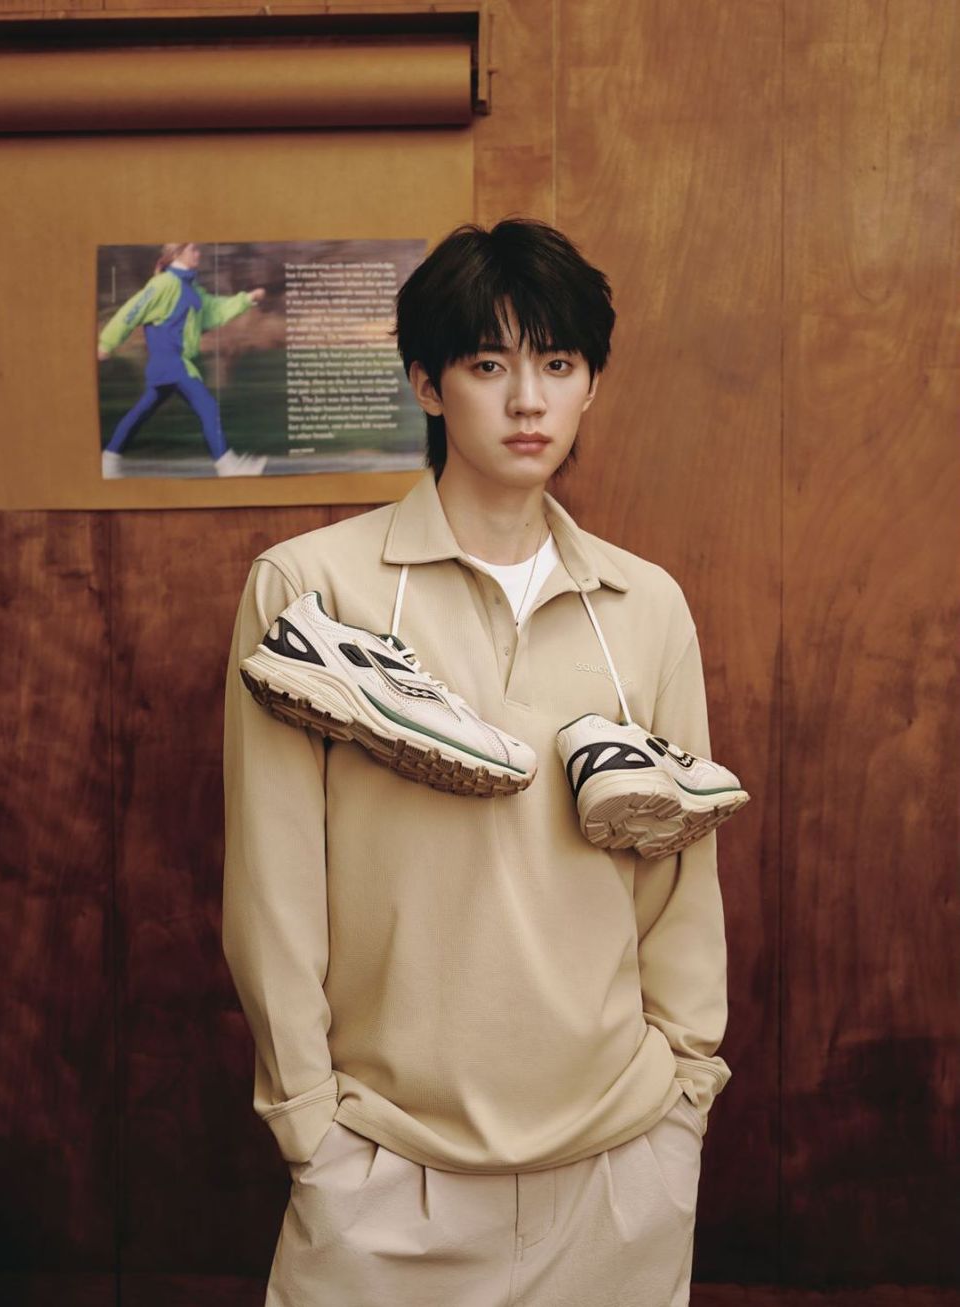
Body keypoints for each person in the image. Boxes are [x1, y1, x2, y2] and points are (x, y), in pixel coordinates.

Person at [222, 218, 737, 1306]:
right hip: (381, 1172)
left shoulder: (646, 605)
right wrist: (310, 1127)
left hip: (618, 1167)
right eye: (489, 365)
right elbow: (274, 886)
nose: (528, 400)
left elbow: (679, 880)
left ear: (591, 383)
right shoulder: (311, 587)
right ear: (426, 383)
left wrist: (683, 1095)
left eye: (558, 363)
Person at [97, 242, 268, 478]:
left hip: (170, 364)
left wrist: (246, 299)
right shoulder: (163, 284)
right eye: (193, 249)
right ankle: (228, 465)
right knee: (207, 406)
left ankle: (108, 461)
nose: (199, 253)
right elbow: (131, 312)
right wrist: (106, 343)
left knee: (142, 411)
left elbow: (214, 311)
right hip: (171, 362)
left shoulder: (191, 288)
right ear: (178, 253)